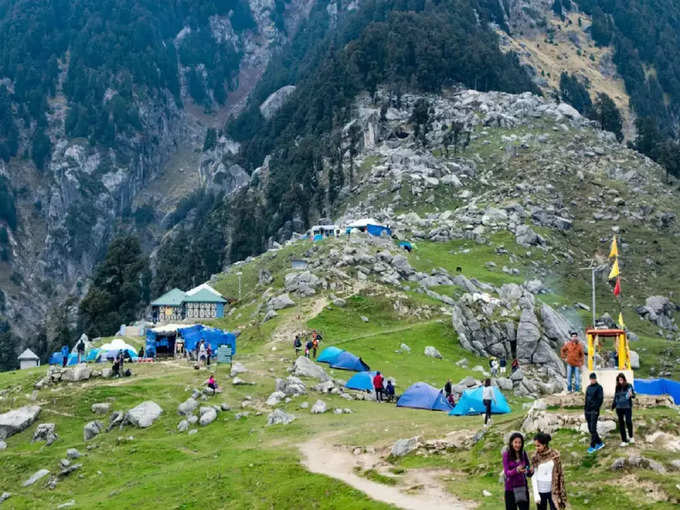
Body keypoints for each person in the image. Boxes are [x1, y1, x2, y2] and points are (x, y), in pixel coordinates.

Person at [531, 433, 567, 510]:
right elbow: (533, 476)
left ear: (544, 444)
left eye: (538, 445)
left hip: (553, 490)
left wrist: (561, 490)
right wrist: (536, 494)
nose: (536, 448)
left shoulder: (554, 454)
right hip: (540, 491)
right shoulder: (535, 457)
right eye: (535, 446)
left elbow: (560, 473)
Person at [503, 432, 532, 510]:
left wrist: (528, 470)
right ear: (511, 443)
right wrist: (516, 470)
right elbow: (507, 472)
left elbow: (527, 466)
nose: (518, 445)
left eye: (520, 442)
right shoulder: (506, 454)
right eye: (515, 442)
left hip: (522, 487)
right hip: (510, 489)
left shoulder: (523, 452)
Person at [612, 372, 635, 446]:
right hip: (619, 408)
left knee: (628, 421)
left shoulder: (629, 386)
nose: (620, 381)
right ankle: (624, 441)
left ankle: (631, 437)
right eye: (619, 380)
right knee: (621, 424)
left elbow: (633, 395)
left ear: (624, 379)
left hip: (627, 407)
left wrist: (632, 395)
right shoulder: (617, 387)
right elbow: (615, 397)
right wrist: (613, 406)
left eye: (621, 380)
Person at [585, 372, 605, 453]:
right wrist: (585, 410)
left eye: (594, 379)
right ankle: (600, 443)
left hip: (594, 411)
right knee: (590, 429)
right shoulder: (588, 387)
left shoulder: (599, 387)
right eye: (591, 379)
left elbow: (600, 399)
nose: (592, 380)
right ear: (590, 379)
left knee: (593, 428)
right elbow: (586, 399)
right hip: (588, 410)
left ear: (595, 379)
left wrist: (596, 409)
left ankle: (593, 446)